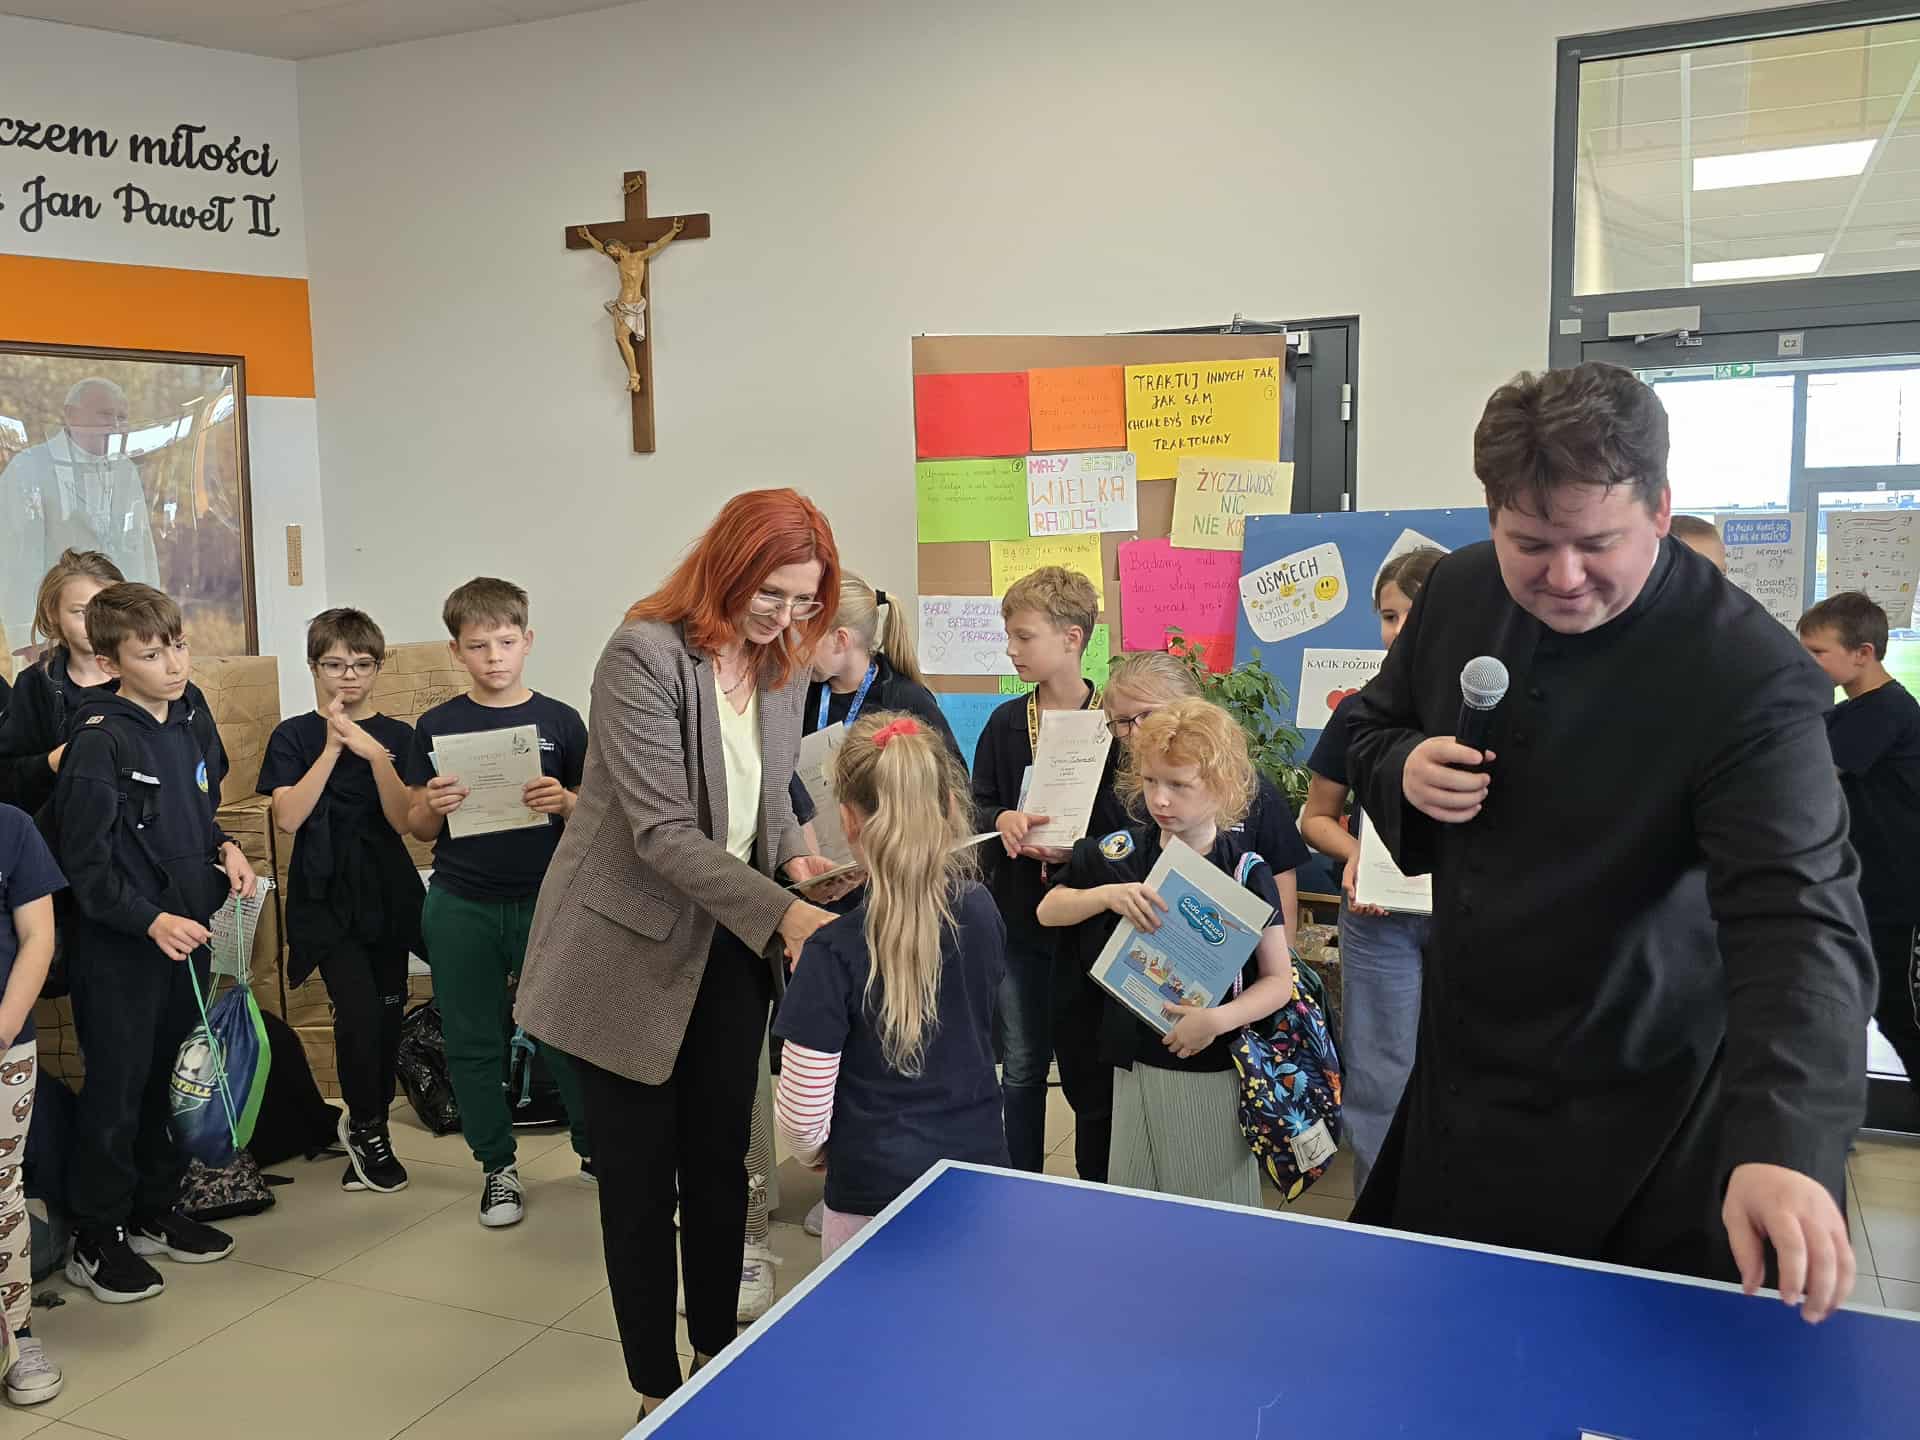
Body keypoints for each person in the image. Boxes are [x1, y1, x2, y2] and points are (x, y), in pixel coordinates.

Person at [1345, 362, 1875, 1323]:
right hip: (1470, 1071)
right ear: (1493, 518)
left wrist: (1786, 1141)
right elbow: (1369, 729)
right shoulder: (1459, 589)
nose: (1563, 577)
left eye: (1598, 543)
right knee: (1438, 1345)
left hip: (1646, 1094)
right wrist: (1405, 765)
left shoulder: (1746, 675)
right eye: (1529, 545)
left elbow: (1797, 917)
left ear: (1660, 509)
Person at [514, 488, 841, 1416]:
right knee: (638, 1181)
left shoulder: (781, 661)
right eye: (770, 594)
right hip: (624, 953)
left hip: (728, 943)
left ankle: (715, 1355)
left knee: (721, 1165)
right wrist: (786, 915)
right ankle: (655, 1390)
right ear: (726, 567)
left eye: (803, 601)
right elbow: (661, 832)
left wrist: (796, 857)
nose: (784, 617)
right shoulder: (643, 655)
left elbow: (770, 794)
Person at [53, 583, 258, 1303]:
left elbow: (197, 809)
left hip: (187, 937)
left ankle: (152, 1209)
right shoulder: (98, 741)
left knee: (169, 1080)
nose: (172, 665)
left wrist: (226, 847)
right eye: (150, 654)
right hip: (123, 947)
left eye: (178, 646)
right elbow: (84, 866)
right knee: (118, 1088)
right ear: (111, 662)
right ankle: (96, 1234)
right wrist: (148, 920)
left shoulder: (191, 712)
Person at [1046, 649, 1306, 1183]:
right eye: (1150, 783)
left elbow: (1280, 979)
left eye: (1179, 786)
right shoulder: (1123, 850)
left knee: (1206, 1193)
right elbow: (1049, 909)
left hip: (1211, 1060)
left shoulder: (1246, 870)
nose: (1161, 800)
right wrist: (1108, 896)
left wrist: (1218, 1020)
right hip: (1130, 1059)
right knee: (1132, 1190)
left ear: (1222, 785)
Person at [773, 712, 1008, 1256]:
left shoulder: (829, 951)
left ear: (848, 821)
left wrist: (822, 1154)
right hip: (975, 1177)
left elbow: (802, 1117)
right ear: (949, 807)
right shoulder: (981, 910)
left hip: (868, 1190)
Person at [402, 577, 592, 1228]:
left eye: (506, 642)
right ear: (456, 651)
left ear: (527, 641)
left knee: (568, 1034)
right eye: (478, 646)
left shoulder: (561, 720)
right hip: (462, 900)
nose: (494, 657)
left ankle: (596, 1151)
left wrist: (565, 802)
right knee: (472, 1041)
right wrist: (433, 804)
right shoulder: (437, 726)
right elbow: (418, 826)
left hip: (549, 898)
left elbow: (601, 817)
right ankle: (497, 1168)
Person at [259, 608, 426, 1194]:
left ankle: (366, 1121)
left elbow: (404, 820)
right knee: (357, 1013)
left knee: (387, 1014)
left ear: (378, 668)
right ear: (314, 667)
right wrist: (332, 747)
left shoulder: (400, 737)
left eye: (361, 665)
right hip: (325, 895)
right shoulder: (293, 736)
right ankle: (370, 1128)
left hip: (386, 891)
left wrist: (374, 754)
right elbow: (287, 817)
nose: (348, 677)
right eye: (334, 665)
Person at [1298, 546, 1444, 1190]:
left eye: (1410, 613)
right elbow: (1316, 818)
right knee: (1381, 1078)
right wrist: (1357, 853)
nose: (1395, 630)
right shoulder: (1358, 711)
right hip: (1379, 919)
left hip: (1469, 919)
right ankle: (1380, 1215)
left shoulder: (1492, 709)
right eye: (1387, 616)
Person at [969, 565, 1108, 1174]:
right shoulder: (1005, 723)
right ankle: (1019, 1182)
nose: (1011, 649)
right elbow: (975, 804)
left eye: (1024, 636)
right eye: (1010, 635)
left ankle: (1095, 1187)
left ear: (1072, 639)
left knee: (1090, 1069)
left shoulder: (1115, 722)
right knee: (1022, 1067)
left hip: (1094, 926)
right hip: (1020, 923)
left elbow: (1136, 822)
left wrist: (1083, 853)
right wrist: (1002, 819)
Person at [1799, 591, 1920, 1098]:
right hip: (1864, 894)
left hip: (1898, 899)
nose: (1805, 662)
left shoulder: (1886, 710)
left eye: (1816, 653)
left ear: (1863, 653)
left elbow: (1807, 774)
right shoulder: (1852, 711)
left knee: (1902, 1015)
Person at [1, 380, 159, 652]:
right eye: (105, 414)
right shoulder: (28, 468)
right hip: (53, 633)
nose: (115, 425)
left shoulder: (125, 470)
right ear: (70, 414)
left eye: (121, 417)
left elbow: (141, 550)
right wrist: (29, 638)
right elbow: (15, 559)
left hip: (122, 628)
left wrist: (151, 620)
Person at [0, 799, 67, 1403]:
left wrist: (2, 1028)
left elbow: (38, 937)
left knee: (2, 1194)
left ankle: (16, 1334)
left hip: (5, 1047)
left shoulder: (12, 828)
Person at [0, 550, 125, 815]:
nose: (97, 623)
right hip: (60, 830)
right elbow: (6, 778)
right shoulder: (34, 685)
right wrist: (52, 762)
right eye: (81, 612)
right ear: (52, 613)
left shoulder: (149, 676)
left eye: (110, 609)